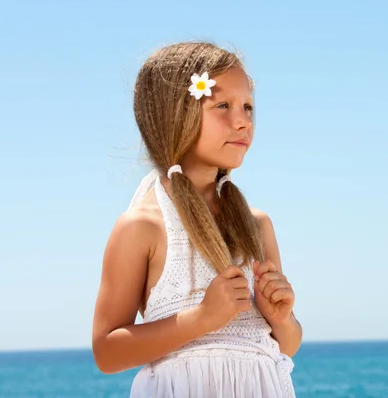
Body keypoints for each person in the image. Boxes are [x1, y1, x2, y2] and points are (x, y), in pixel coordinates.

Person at [91, 42, 302, 397]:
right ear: (177, 114)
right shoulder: (142, 226)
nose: (243, 121)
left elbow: (286, 346)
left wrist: (282, 317)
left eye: (248, 107)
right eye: (223, 106)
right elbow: (107, 352)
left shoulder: (257, 225)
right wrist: (201, 318)